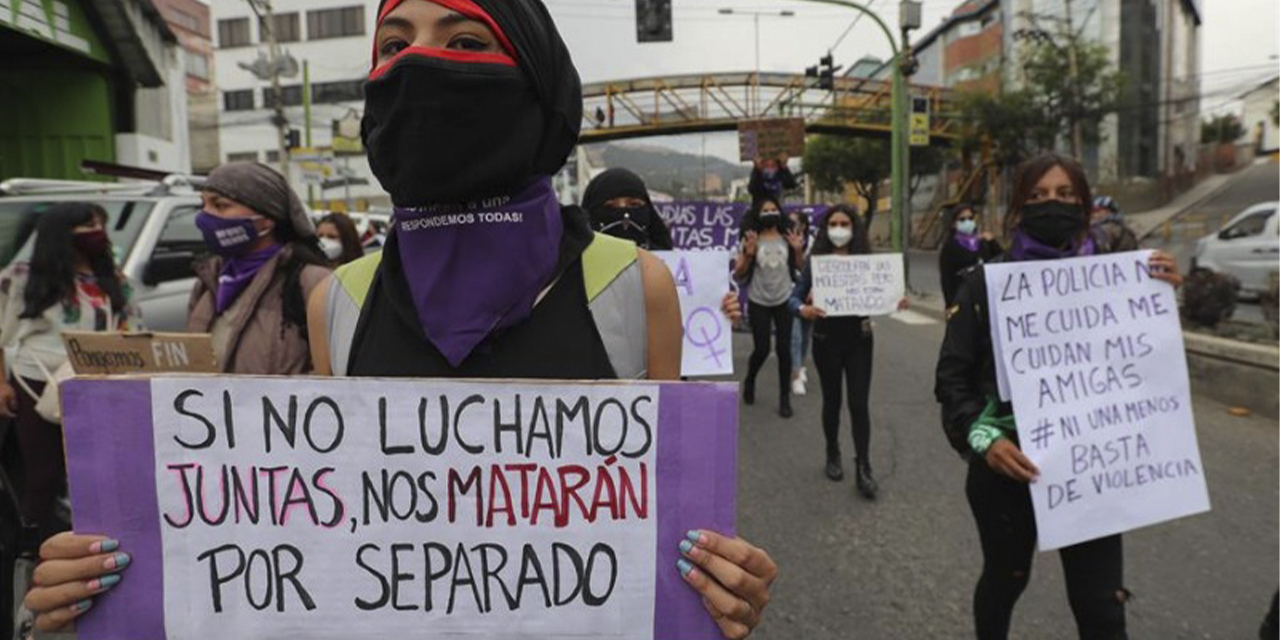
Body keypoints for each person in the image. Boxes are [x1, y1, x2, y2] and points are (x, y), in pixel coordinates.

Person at [21, 3, 778, 637]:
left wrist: (716, 586)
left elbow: (661, 537)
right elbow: (320, 547)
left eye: (466, 41)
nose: (420, 63)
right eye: (394, 44)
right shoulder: (338, 302)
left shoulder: (633, 287)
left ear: (538, 80)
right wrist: (115, 579)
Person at [935, 153, 1183, 640]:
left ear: (1086, 205)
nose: (1054, 205)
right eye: (1039, 196)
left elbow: (1146, 367)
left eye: (1066, 195)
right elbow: (952, 380)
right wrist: (986, 440)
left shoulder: (1120, 280)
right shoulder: (986, 285)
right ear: (1019, 209)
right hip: (1007, 470)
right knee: (1007, 580)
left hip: (1093, 468)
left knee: (1102, 608)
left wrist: (1161, 299)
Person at [0, 203, 142, 542]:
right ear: (59, 232)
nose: (97, 231)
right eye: (87, 224)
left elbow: (133, 331)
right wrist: (1, 384)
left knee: (94, 472)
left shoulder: (116, 280)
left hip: (94, 381)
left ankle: (91, 542)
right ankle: (30, 551)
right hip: (34, 382)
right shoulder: (20, 276)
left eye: (100, 224)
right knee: (44, 474)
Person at [790, 205, 905, 497]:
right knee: (832, 401)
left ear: (854, 228)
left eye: (844, 223)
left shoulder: (865, 262)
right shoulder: (816, 262)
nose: (839, 229)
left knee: (858, 404)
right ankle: (832, 453)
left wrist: (895, 301)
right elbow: (792, 299)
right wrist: (805, 308)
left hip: (859, 340)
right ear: (826, 229)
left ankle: (864, 467)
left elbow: (883, 293)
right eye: (833, 223)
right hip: (826, 340)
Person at [186, 161, 332, 375]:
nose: (204, 217)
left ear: (266, 220)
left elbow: (330, 376)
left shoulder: (313, 284)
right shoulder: (207, 282)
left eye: (220, 205)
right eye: (203, 205)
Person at [736, 197, 804, 417]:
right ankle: (750, 379)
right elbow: (739, 273)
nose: (770, 213)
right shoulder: (750, 238)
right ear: (757, 214)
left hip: (784, 299)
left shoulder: (788, 237)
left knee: (784, 351)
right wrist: (749, 252)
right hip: (759, 301)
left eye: (774, 209)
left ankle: (784, 398)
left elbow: (802, 269)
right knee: (762, 348)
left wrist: (797, 250)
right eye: (765, 210)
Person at [582, 167, 674, 250]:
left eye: (634, 205)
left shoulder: (667, 263)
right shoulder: (573, 264)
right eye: (610, 206)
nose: (624, 214)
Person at [938, 203, 1003, 307]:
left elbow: (1001, 260)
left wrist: (992, 242)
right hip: (963, 300)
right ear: (954, 224)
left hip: (985, 298)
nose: (967, 222)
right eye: (962, 219)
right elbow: (947, 279)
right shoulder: (950, 246)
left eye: (970, 218)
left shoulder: (983, 243)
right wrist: (950, 304)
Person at [787, 209, 813, 396]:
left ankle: (801, 364)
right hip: (790, 294)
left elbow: (806, 272)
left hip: (808, 292)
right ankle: (795, 374)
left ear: (803, 225)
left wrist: (798, 251)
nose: (792, 225)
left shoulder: (812, 243)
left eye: (795, 222)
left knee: (805, 333)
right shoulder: (782, 240)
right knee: (795, 334)